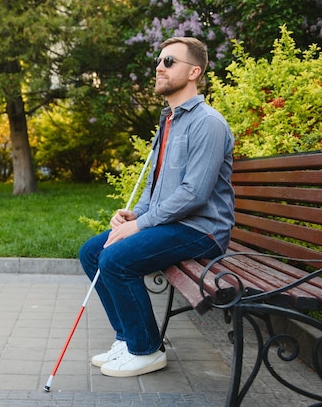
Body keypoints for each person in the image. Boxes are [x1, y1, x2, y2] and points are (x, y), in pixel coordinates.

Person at [79, 37, 235, 378]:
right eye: (158, 61)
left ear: (194, 72)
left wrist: (142, 225)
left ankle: (147, 350)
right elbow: (156, 184)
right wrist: (135, 213)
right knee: (93, 252)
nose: (158, 67)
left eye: (168, 61)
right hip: (174, 223)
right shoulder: (170, 121)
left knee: (115, 259)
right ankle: (128, 338)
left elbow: (195, 193)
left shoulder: (206, 122)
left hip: (203, 229)